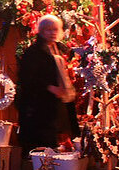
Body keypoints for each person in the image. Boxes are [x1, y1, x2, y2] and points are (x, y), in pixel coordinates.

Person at [15, 14, 80, 152]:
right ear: (41, 31)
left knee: (54, 146)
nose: (52, 33)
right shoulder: (33, 52)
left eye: (55, 29)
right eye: (48, 30)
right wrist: (49, 87)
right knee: (41, 148)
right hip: (37, 110)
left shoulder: (58, 48)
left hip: (53, 109)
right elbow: (26, 78)